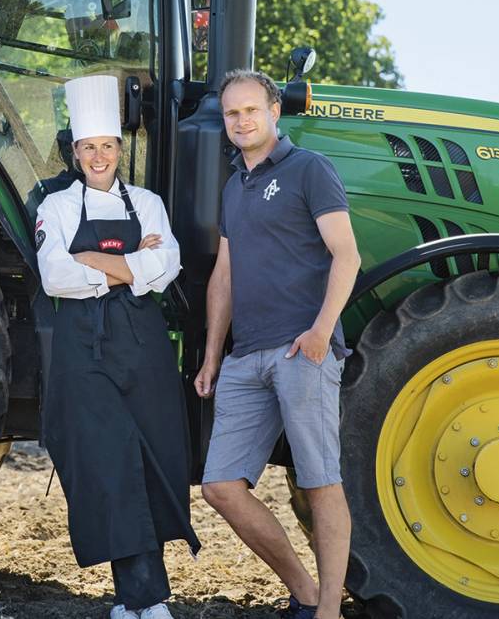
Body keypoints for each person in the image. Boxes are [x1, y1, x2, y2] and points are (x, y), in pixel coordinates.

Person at [195, 70, 360, 619]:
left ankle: (330, 611)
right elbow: (226, 274)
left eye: (251, 111)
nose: (241, 122)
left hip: (301, 352)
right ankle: (306, 593)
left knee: (319, 481)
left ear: (274, 112)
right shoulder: (232, 185)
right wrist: (214, 355)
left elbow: (347, 255)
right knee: (220, 486)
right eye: (232, 114)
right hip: (246, 357)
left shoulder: (309, 169)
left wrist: (319, 333)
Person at [36, 74, 201, 619]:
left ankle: (139, 600)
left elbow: (168, 263)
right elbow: (54, 276)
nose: (99, 155)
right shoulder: (55, 207)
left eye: (107, 146)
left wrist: (94, 262)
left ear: (119, 149)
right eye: (89, 147)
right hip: (84, 347)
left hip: (144, 344)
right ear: (76, 151)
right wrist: (131, 267)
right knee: (109, 464)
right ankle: (143, 599)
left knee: (152, 459)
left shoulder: (149, 202)